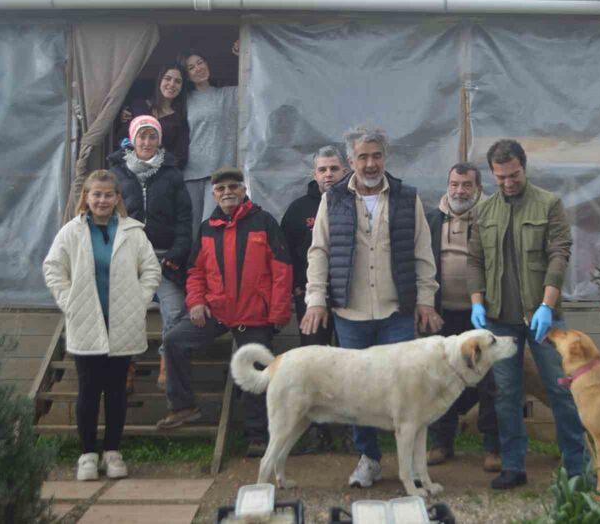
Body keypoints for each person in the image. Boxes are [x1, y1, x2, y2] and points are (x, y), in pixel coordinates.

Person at [300, 125, 442, 488]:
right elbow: (319, 252)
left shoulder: (407, 197)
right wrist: (316, 300)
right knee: (358, 394)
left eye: (376, 155)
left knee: (404, 389)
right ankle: (369, 459)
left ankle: (410, 464)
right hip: (351, 314)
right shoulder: (333, 199)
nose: (370, 162)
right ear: (351, 161)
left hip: (396, 313)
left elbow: (422, 254)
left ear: (385, 157)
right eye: (363, 156)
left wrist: (425, 300)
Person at [468, 138, 587, 489]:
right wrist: (477, 302)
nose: (508, 182)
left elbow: (559, 253)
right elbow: (475, 260)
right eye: (500, 177)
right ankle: (514, 466)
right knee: (506, 394)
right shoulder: (484, 211)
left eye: (514, 175)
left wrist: (547, 306)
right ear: (492, 174)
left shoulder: (549, 204)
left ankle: (577, 467)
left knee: (561, 390)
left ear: (524, 166)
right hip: (499, 318)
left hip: (543, 319)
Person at [156, 166, 292, 454]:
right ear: (214, 194)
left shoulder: (264, 222)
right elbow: (195, 271)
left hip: (254, 315)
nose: (227, 192)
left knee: (254, 374)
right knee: (174, 340)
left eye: (233, 187)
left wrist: (278, 315)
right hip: (216, 312)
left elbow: (282, 270)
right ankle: (183, 406)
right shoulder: (207, 228)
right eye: (221, 189)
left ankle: (258, 437)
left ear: (243, 190)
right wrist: (195, 302)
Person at [43, 170, 161, 481]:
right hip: (86, 321)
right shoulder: (71, 232)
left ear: (118, 199)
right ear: (86, 197)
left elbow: (150, 269)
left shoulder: (133, 232)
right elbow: (54, 268)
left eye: (108, 195)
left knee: (116, 391)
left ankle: (113, 452)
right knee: (88, 390)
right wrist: (69, 301)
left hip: (121, 321)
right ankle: (87, 455)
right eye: (96, 194)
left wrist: (139, 300)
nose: (102, 200)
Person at [425, 162, 501, 473]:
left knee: (488, 382)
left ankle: (493, 447)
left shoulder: (490, 219)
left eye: (467, 185)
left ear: (479, 189)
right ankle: (441, 443)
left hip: (481, 315)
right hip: (441, 315)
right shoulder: (430, 219)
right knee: (441, 380)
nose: (459, 190)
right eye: (454, 184)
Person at [108, 115, 192, 390]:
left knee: (175, 309)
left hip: (165, 256)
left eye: (152, 136)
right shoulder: (117, 173)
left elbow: (184, 218)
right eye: (142, 136)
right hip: (129, 257)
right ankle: (127, 365)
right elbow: (105, 215)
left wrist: (178, 252)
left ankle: (166, 361)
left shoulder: (172, 173)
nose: (147, 141)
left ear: (159, 140)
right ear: (133, 139)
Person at [281, 145, 348, 347]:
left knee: (350, 357)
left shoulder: (356, 204)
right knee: (315, 355)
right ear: (315, 174)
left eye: (334, 169)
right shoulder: (298, 209)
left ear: (345, 172)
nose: (328, 174)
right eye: (322, 170)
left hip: (350, 296)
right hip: (311, 295)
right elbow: (285, 252)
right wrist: (296, 287)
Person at [180, 46, 239, 233]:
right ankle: (192, 263)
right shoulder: (184, 100)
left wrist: (243, 54)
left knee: (210, 226)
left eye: (200, 62)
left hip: (219, 172)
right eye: (191, 67)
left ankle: (209, 263)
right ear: (187, 75)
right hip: (190, 172)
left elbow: (257, 83)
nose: (198, 68)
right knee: (191, 228)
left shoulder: (226, 95)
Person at [118, 64, 190, 169]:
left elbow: (181, 156)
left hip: (162, 175)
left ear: (182, 87)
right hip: (131, 171)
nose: (172, 84)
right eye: (167, 79)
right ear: (160, 80)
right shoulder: (138, 106)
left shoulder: (180, 119)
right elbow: (121, 138)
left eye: (177, 81)